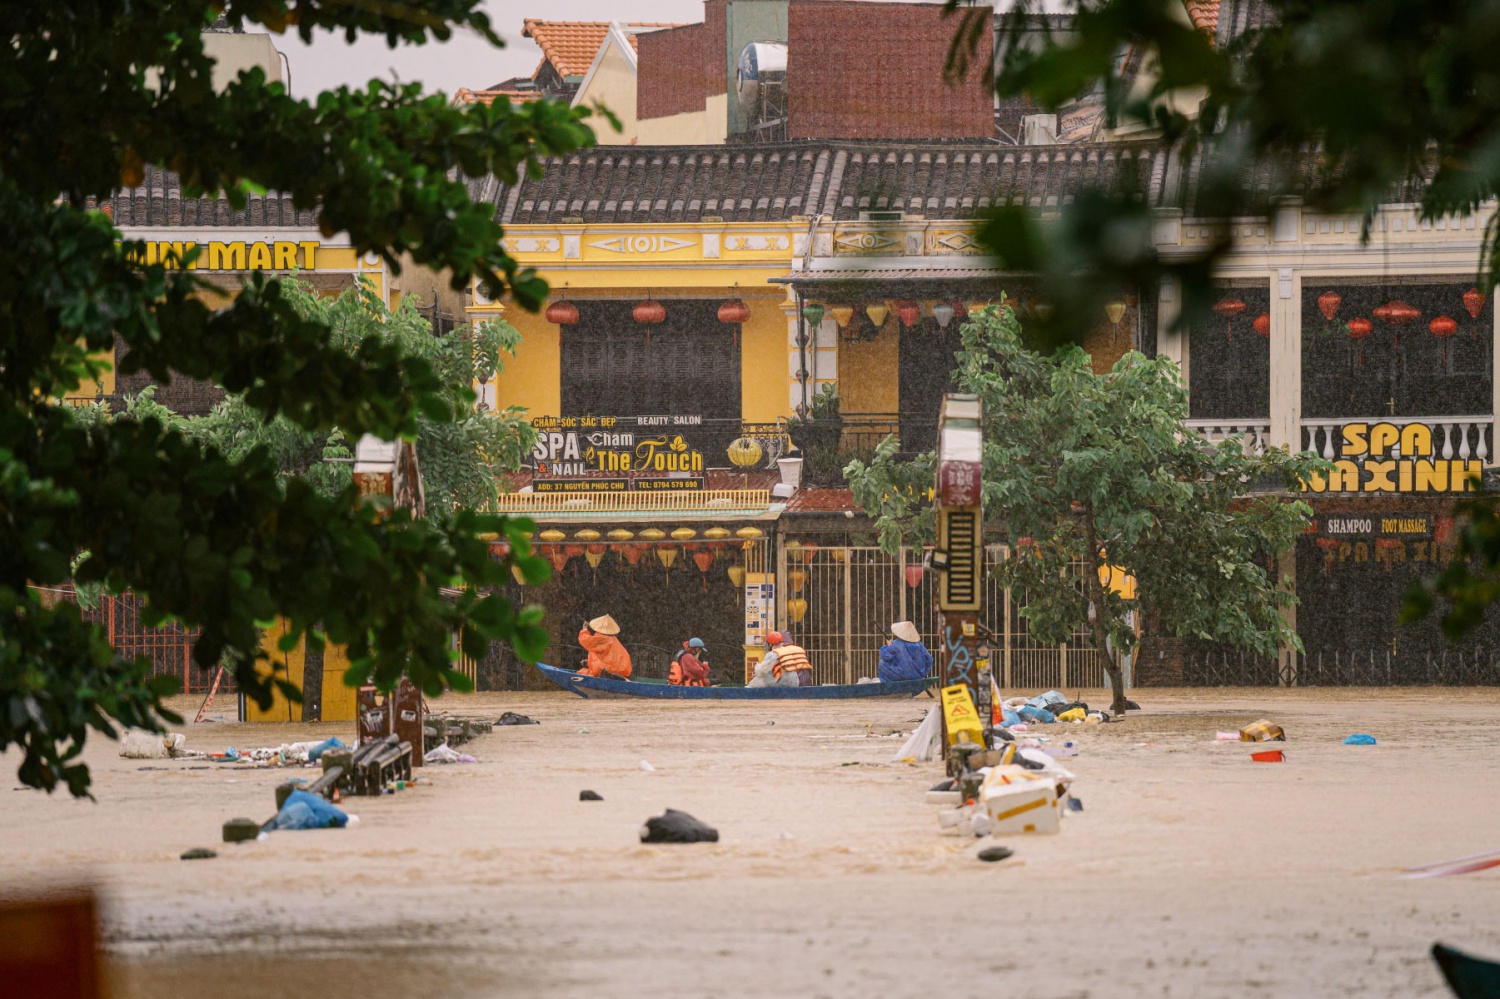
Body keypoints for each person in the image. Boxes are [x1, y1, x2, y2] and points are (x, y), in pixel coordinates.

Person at [578, 615, 632, 680]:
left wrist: (584, 629)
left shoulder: (601, 638)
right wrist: (588, 662)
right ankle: (614, 676)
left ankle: (608, 674)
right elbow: (606, 658)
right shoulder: (613, 640)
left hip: (608, 670)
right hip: (621, 669)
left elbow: (585, 640)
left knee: (582, 672)